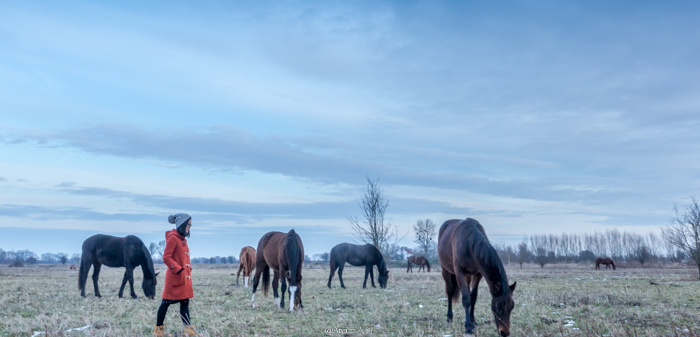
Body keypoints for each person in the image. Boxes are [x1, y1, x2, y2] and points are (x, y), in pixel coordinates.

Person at [153, 213, 197, 337]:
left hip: (184, 277)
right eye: (188, 224)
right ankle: (158, 330)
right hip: (175, 278)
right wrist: (179, 270)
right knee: (166, 302)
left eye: (190, 224)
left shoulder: (182, 239)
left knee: (185, 302)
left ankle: (188, 329)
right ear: (182, 224)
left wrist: (187, 270)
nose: (190, 227)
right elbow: (166, 257)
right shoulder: (173, 238)